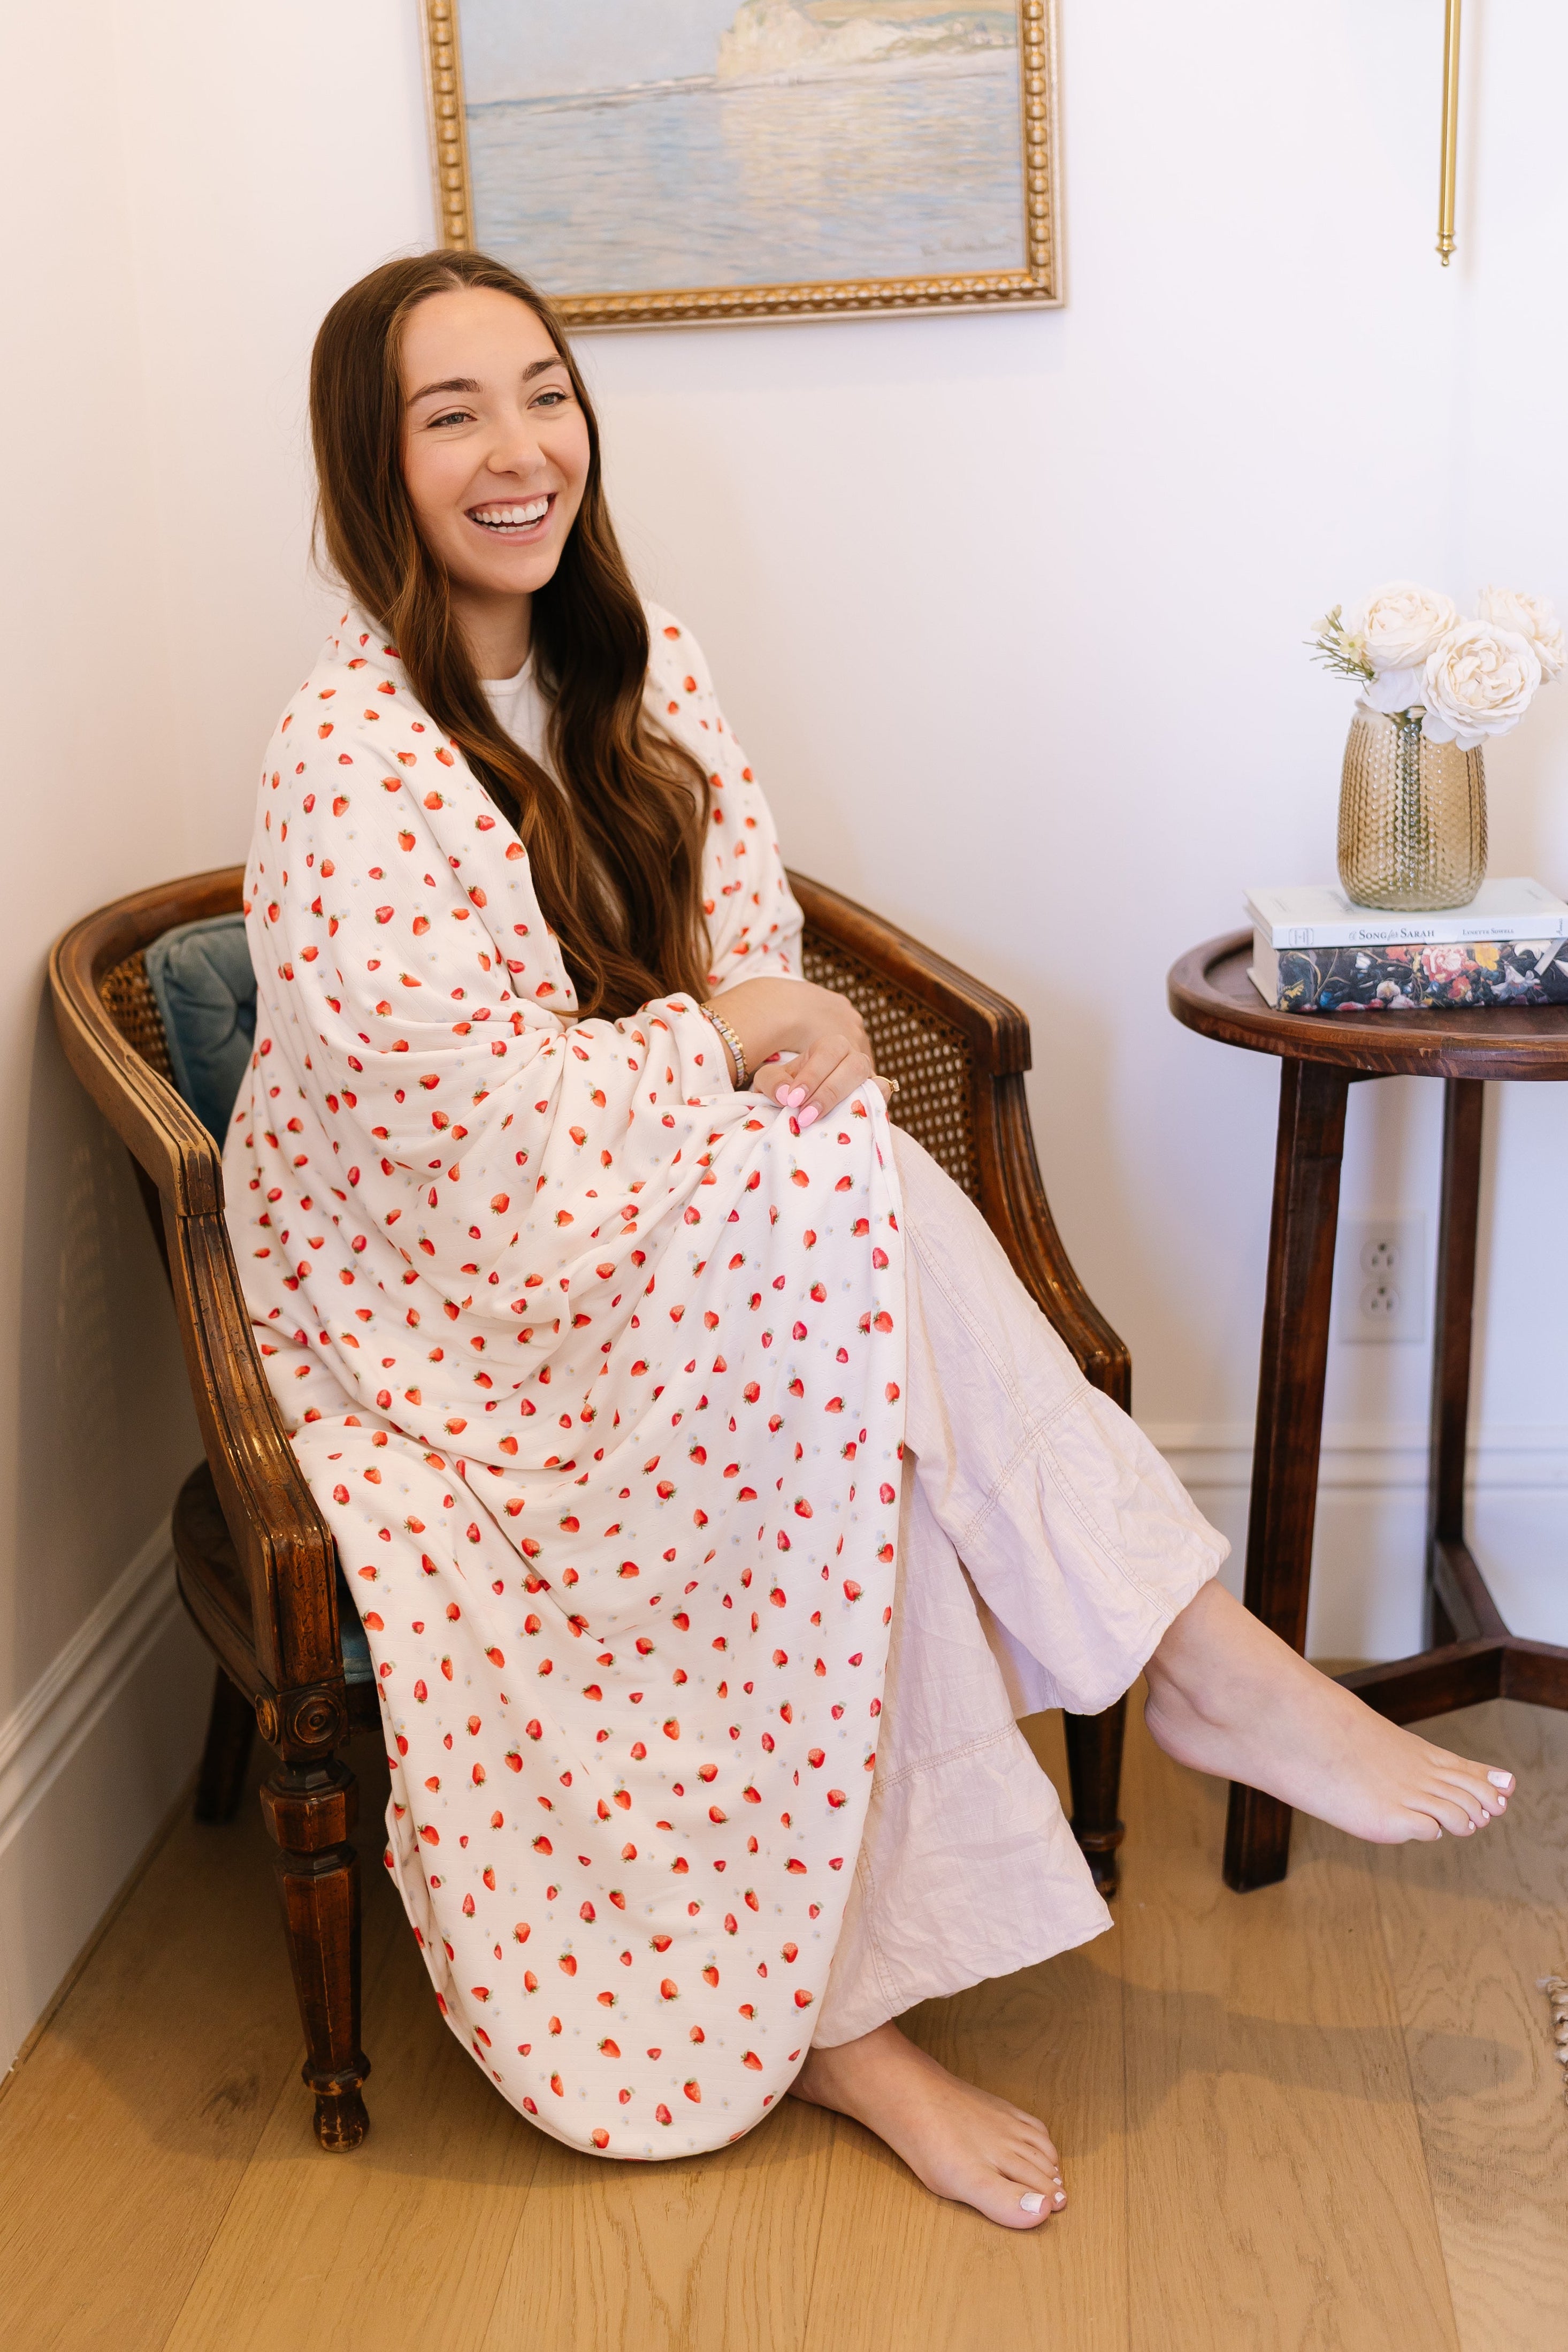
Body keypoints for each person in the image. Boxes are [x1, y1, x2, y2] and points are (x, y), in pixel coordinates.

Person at [224, 251, 1516, 2229]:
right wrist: (735, 1043)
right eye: (449, 411)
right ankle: (1196, 1656)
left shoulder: (642, 657)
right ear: (368, 463)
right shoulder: (347, 754)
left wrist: (752, 1040)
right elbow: (462, 1139)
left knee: (838, 1252)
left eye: (545, 390)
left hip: (650, 1217)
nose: (518, 450)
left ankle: (856, 1993)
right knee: (838, 1202)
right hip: (452, 1308)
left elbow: (753, 935)